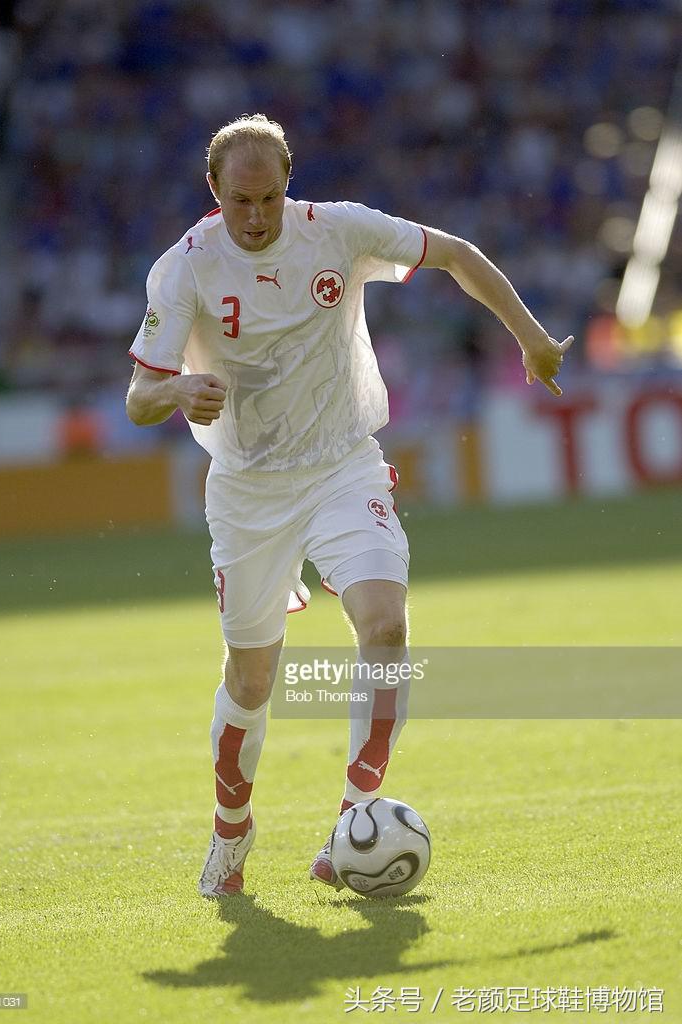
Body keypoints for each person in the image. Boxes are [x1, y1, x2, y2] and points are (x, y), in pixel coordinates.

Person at [125, 114, 572, 898]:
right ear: (213, 190)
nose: (256, 216)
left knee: (385, 627)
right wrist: (177, 389)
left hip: (342, 466)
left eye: (269, 198)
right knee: (251, 679)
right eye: (240, 201)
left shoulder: (337, 231)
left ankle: (354, 816)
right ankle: (231, 829)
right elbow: (137, 398)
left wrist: (529, 337)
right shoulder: (183, 269)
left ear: (289, 185)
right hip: (248, 492)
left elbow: (456, 255)